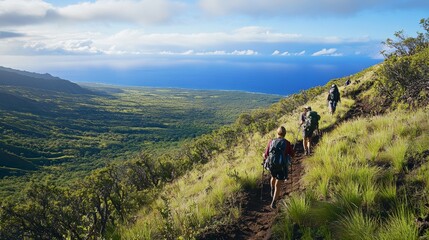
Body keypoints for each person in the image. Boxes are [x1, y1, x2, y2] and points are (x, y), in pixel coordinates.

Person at [262, 126, 295, 209]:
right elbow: (292, 154)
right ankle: (273, 202)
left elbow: (266, 154)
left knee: (273, 177)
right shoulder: (287, 143)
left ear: (277, 133)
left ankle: (272, 189)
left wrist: (264, 156)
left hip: (272, 165)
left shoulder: (271, 141)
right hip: (281, 166)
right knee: (278, 184)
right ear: (285, 134)